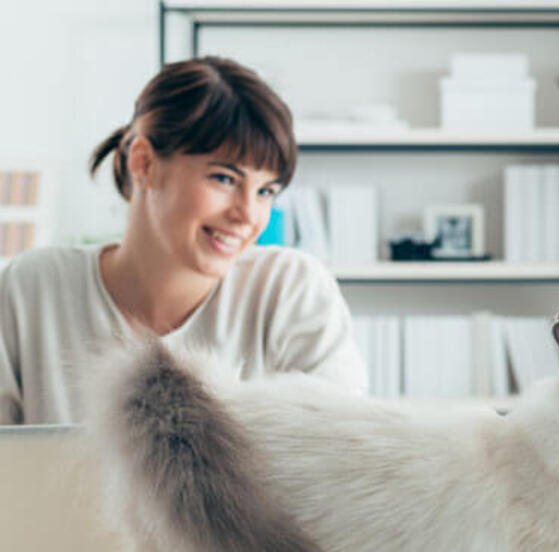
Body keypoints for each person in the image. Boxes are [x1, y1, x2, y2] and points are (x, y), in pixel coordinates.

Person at [0, 56, 365, 425]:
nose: (249, 214)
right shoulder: (30, 290)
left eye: (266, 191)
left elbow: (343, 458)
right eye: (224, 179)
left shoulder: (289, 292)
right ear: (144, 164)